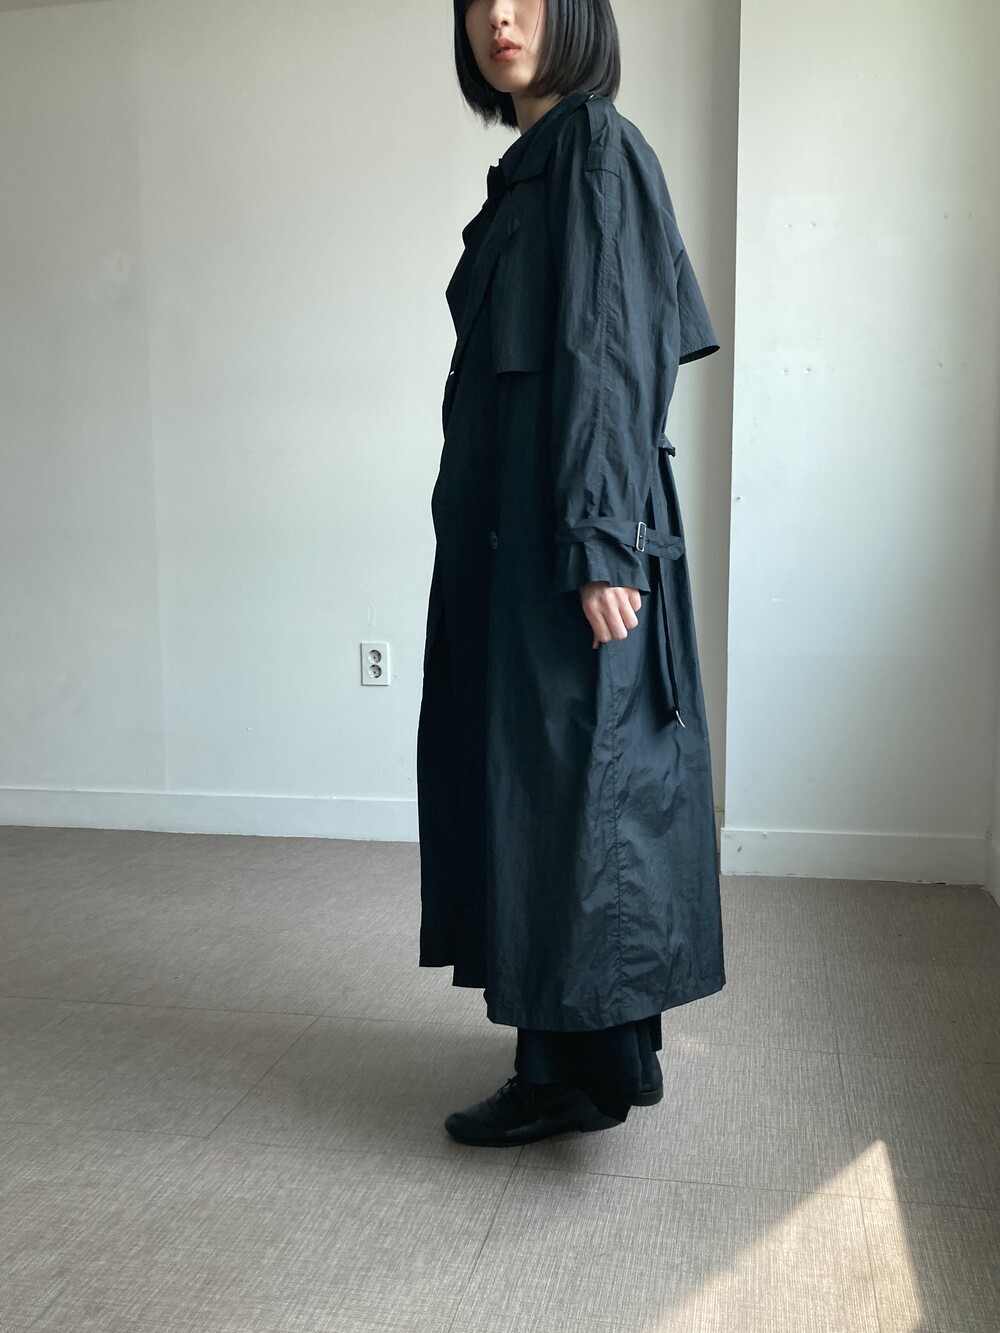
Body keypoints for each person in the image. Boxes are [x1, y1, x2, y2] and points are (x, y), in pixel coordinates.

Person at [416, 0, 726, 1148]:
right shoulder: (530, 170)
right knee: (542, 796)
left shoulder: (594, 147)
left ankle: (575, 1075)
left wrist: (600, 539)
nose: (498, 15)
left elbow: (611, 348)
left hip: (566, 545)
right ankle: (570, 1058)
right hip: (518, 548)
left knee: (579, 792)